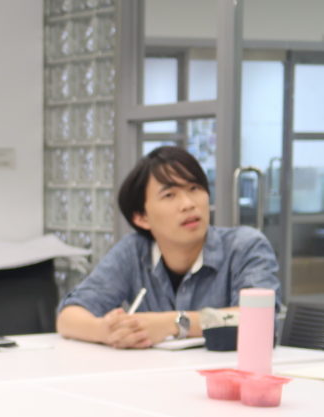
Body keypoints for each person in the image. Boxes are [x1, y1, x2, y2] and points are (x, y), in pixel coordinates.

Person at [56, 145, 281, 349]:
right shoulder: (133, 251)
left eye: (194, 188)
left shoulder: (245, 246)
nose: (188, 204)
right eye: (169, 195)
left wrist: (173, 323)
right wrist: (106, 331)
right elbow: (68, 317)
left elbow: (260, 318)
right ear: (142, 217)